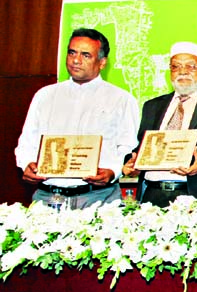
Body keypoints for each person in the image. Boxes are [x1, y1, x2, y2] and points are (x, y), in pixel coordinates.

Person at [15, 28, 140, 208]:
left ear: (102, 62)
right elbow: (27, 141)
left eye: (86, 55)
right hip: (48, 197)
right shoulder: (45, 95)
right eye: (72, 52)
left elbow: (127, 146)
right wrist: (27, 164)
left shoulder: (121, 99)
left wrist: (112, 171)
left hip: (98, 198)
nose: (76, 60)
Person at [121, 42, 197, 207]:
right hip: (152, 197)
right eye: (176, 66)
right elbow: (141, 148)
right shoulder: (152, 106)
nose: (183, 72)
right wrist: (134, 162)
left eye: (190, 66)